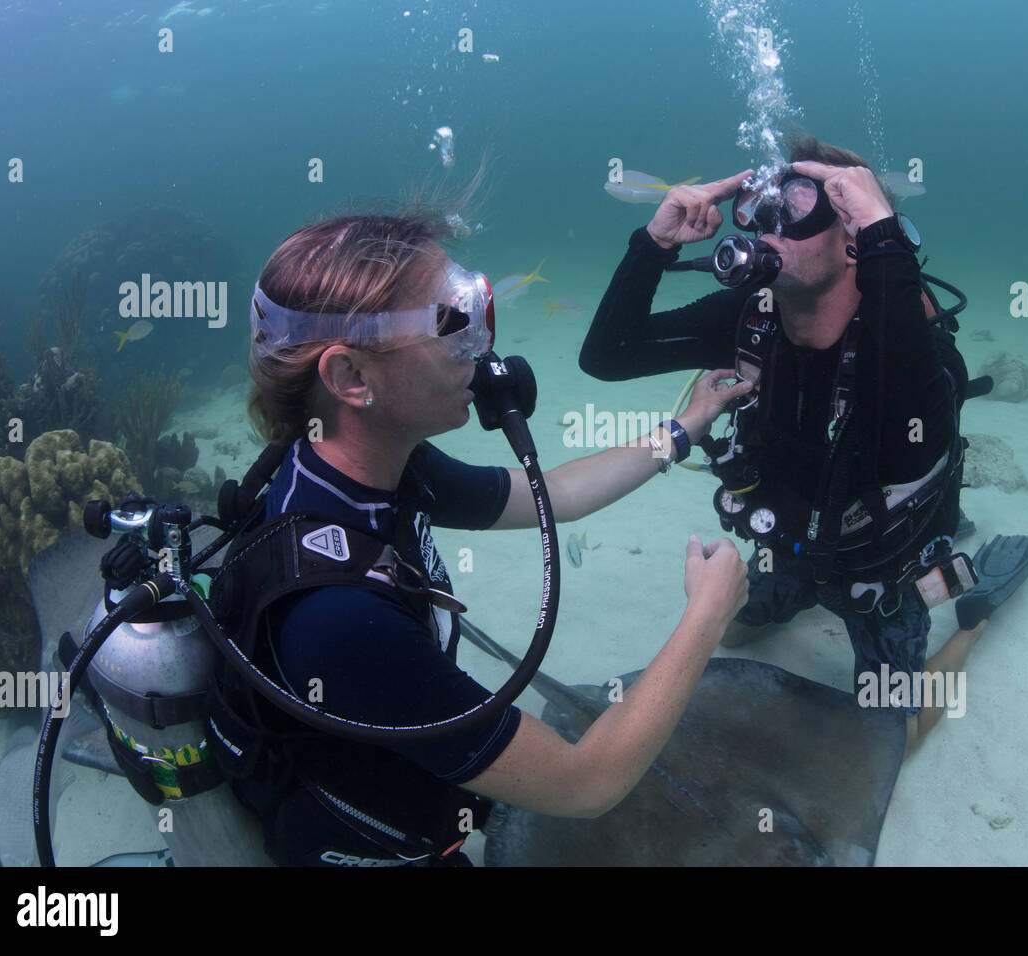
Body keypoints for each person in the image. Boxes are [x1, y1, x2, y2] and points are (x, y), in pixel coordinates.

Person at [207, 211, 755, 866]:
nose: (481, 344)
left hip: (415, 769)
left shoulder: (364, 462)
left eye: (471, 308)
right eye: (449, 324)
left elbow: (555, 496)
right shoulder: (336, 619)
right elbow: (586, 781)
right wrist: (707, 614)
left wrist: (687, 426)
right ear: (352, 378)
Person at [580, 135, 1028, 752]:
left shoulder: (912, 346)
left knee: (891, 738)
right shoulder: (755, 312)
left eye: (794, 207)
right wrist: (656, 244)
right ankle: (804, 587)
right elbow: (607, 357)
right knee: (734, 635)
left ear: (855, 236)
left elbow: (912, 446)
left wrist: (887, 240)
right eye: (758, 209)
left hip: (883, 565)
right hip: (796, 541)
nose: (767, 227)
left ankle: (974, 615)